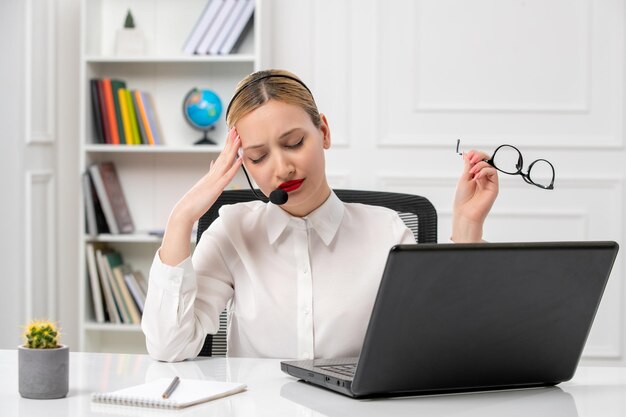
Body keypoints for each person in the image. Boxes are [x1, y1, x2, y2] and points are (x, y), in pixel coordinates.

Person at [141, 69, 499, 362]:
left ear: (323, 132)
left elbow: (443, 342)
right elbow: (170, 346)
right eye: (259, 157)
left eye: (294, 143)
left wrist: (467, 226)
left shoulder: (387, 231)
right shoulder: (233, 230)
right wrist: (181, 218)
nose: (282, 167)